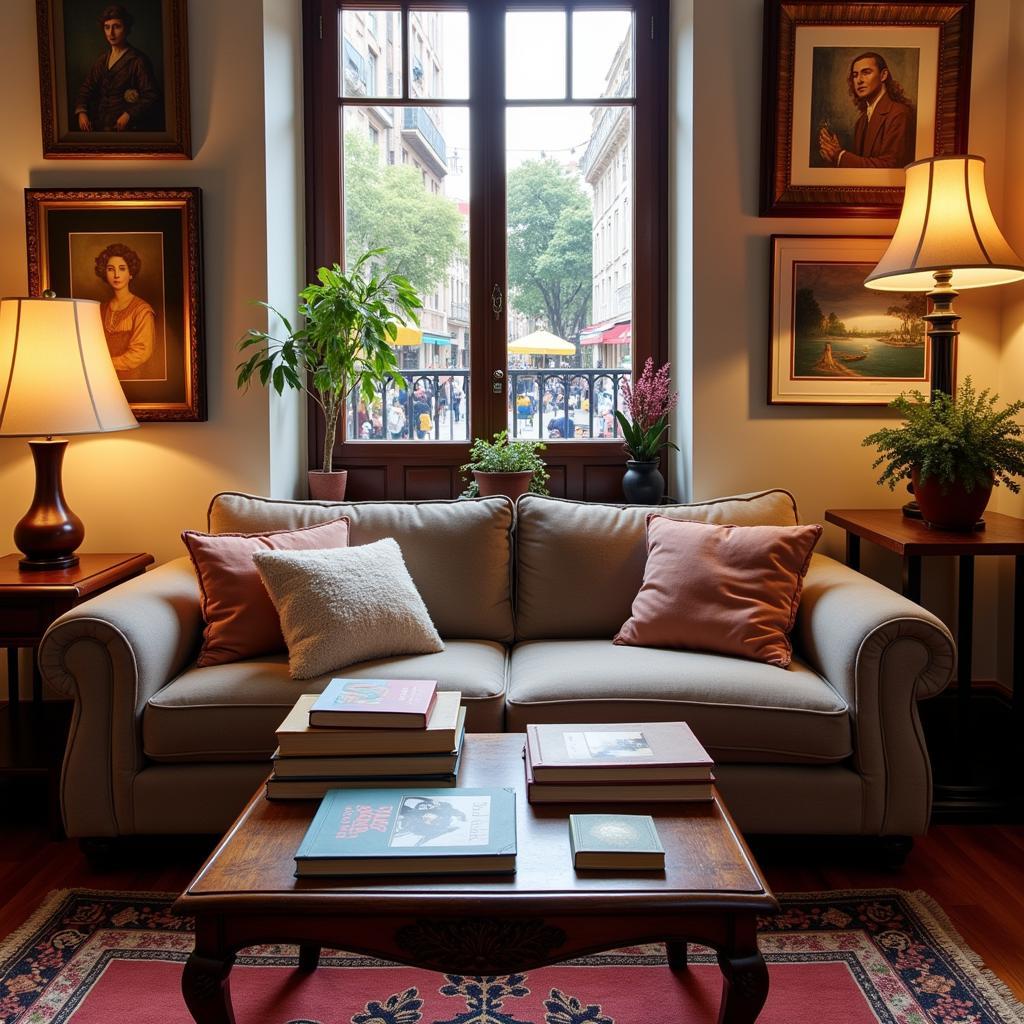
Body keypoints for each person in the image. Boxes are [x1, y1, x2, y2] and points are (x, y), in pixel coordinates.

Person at [818, 52, 915, 169]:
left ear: (883, 75)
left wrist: (840, 156)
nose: (859, 80)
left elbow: (891, 167)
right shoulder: (861, 122)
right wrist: (834, 154)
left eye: (866, 72)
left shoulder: (899, 114)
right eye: (855, 75)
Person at [74, 5, 162, 133]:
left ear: (126, 28)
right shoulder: (102, 60)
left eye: (117, 26)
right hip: (99, 126)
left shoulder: (138, 60)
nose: (111, 33)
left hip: (128, 129)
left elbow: (151, 95)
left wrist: (129, 115)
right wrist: (82, 112)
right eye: (107, 27)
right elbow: (86, 88)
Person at [94, 242, 156, 379]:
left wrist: (105, 363)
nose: (116, 275)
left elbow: (141, 352)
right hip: (101, 379)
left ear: (131, 273)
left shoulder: (142, 310)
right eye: (110, 269)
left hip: (132, 379)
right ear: (104, 272)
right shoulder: (99, 309)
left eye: (122, 269)